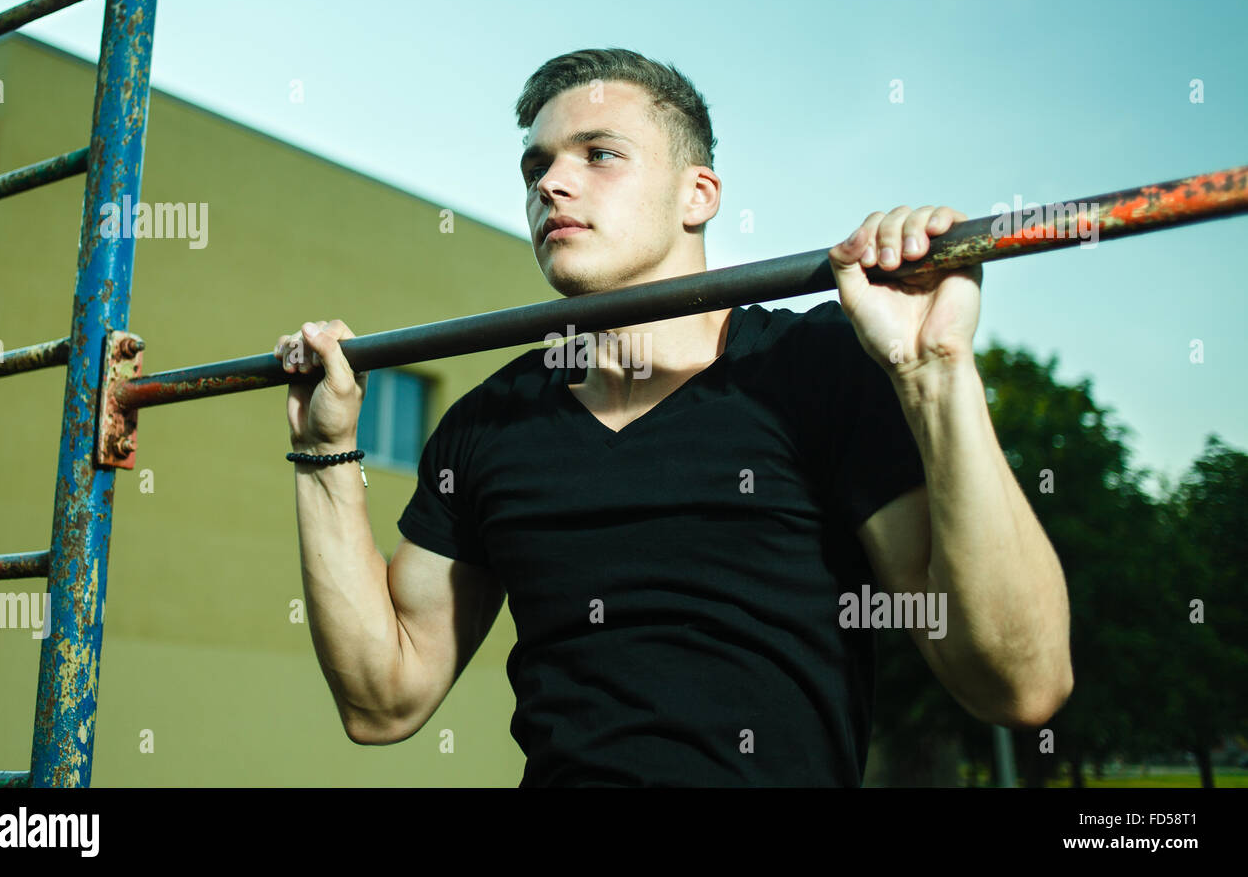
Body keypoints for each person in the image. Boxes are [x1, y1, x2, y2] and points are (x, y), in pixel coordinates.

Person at [273, 48, 1073, 786]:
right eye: (537, 166)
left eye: (599, 154)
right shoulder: (491, 424)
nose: (551, 184)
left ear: (699, 194)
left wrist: (937, 374)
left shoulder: (816, 369)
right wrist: (326, 453)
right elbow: (383, 703)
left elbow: (1021, 686)